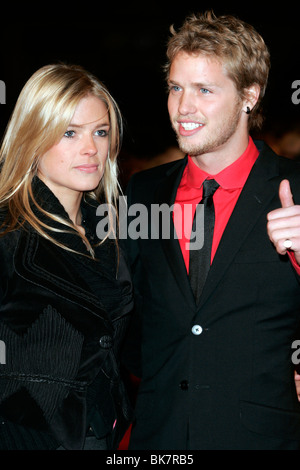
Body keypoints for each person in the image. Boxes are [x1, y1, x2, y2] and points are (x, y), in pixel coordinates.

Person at [123, 11, 300, 450]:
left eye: (205, 90)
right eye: (176, 87)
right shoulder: (142, 192)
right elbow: (122, 314)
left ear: (249, 97)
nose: (184, 107)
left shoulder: (295, 190)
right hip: (157, 438)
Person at [0, 64, 134, 450]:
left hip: (104, 434)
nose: (91, 148)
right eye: (69, 133)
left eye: (100, 132)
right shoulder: (8, 234)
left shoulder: (111, 232)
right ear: (32, 137)